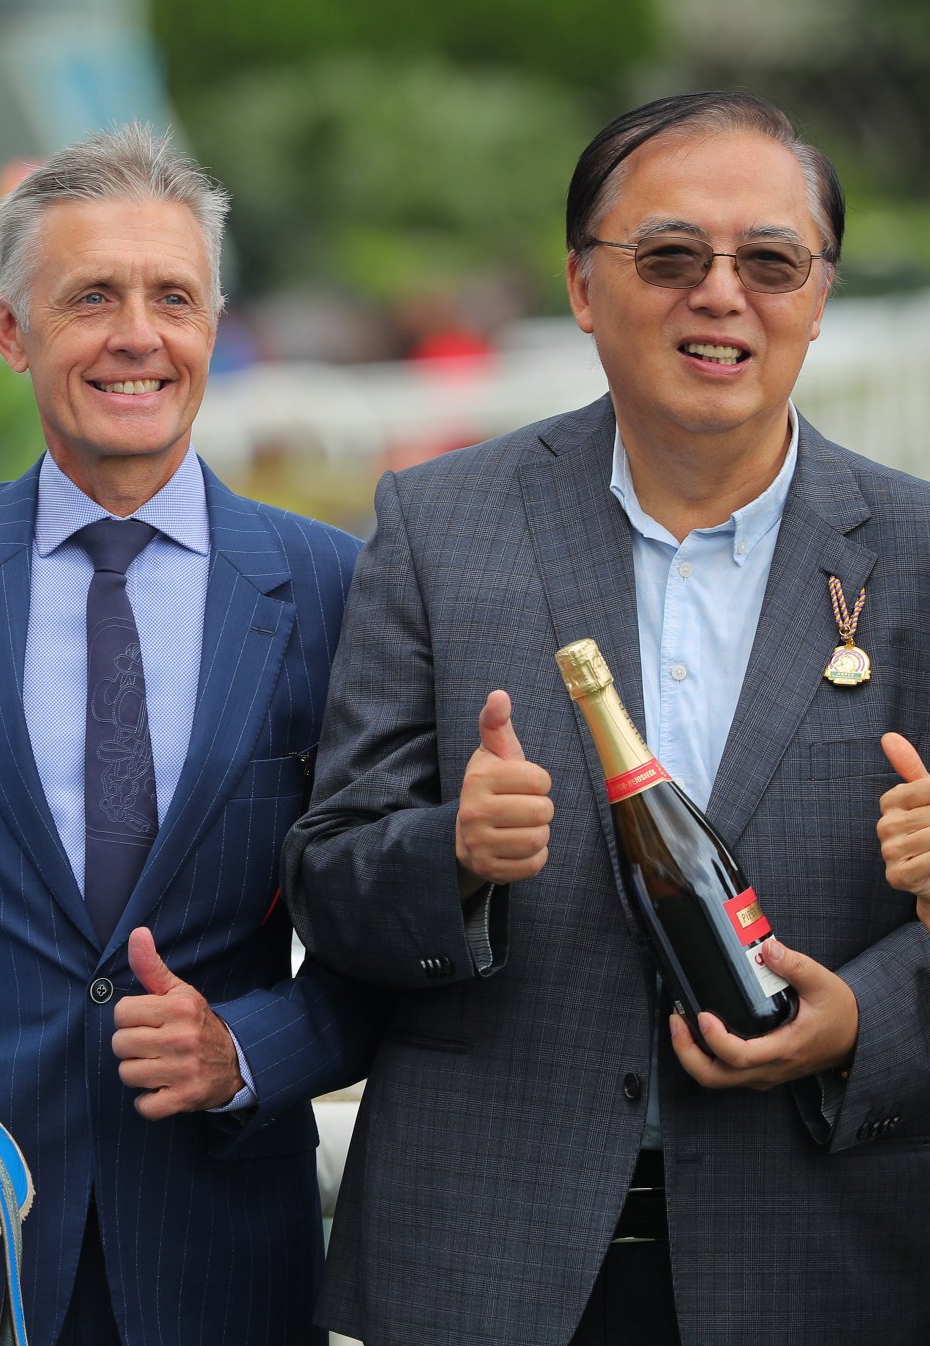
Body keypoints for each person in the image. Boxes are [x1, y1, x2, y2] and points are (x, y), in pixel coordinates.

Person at [283, 91, 930, 1346]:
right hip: (486, 1257)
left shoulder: (917, 554)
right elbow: (329, 876)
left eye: (769, 261)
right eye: (671, 256)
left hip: (822, 1255)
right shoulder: (438, 526)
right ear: (584, 286)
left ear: (818, 291)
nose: (719, 294)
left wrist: (868, 1017)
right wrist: (452, 857)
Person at [0, 124, 383, 1346]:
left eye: (172, 296)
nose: (135, 335)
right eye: (90, 296)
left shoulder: (334, 590)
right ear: (11, 331)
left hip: (222, 1250)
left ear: (214, 320)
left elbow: (402, 934)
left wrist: (245, 1048)